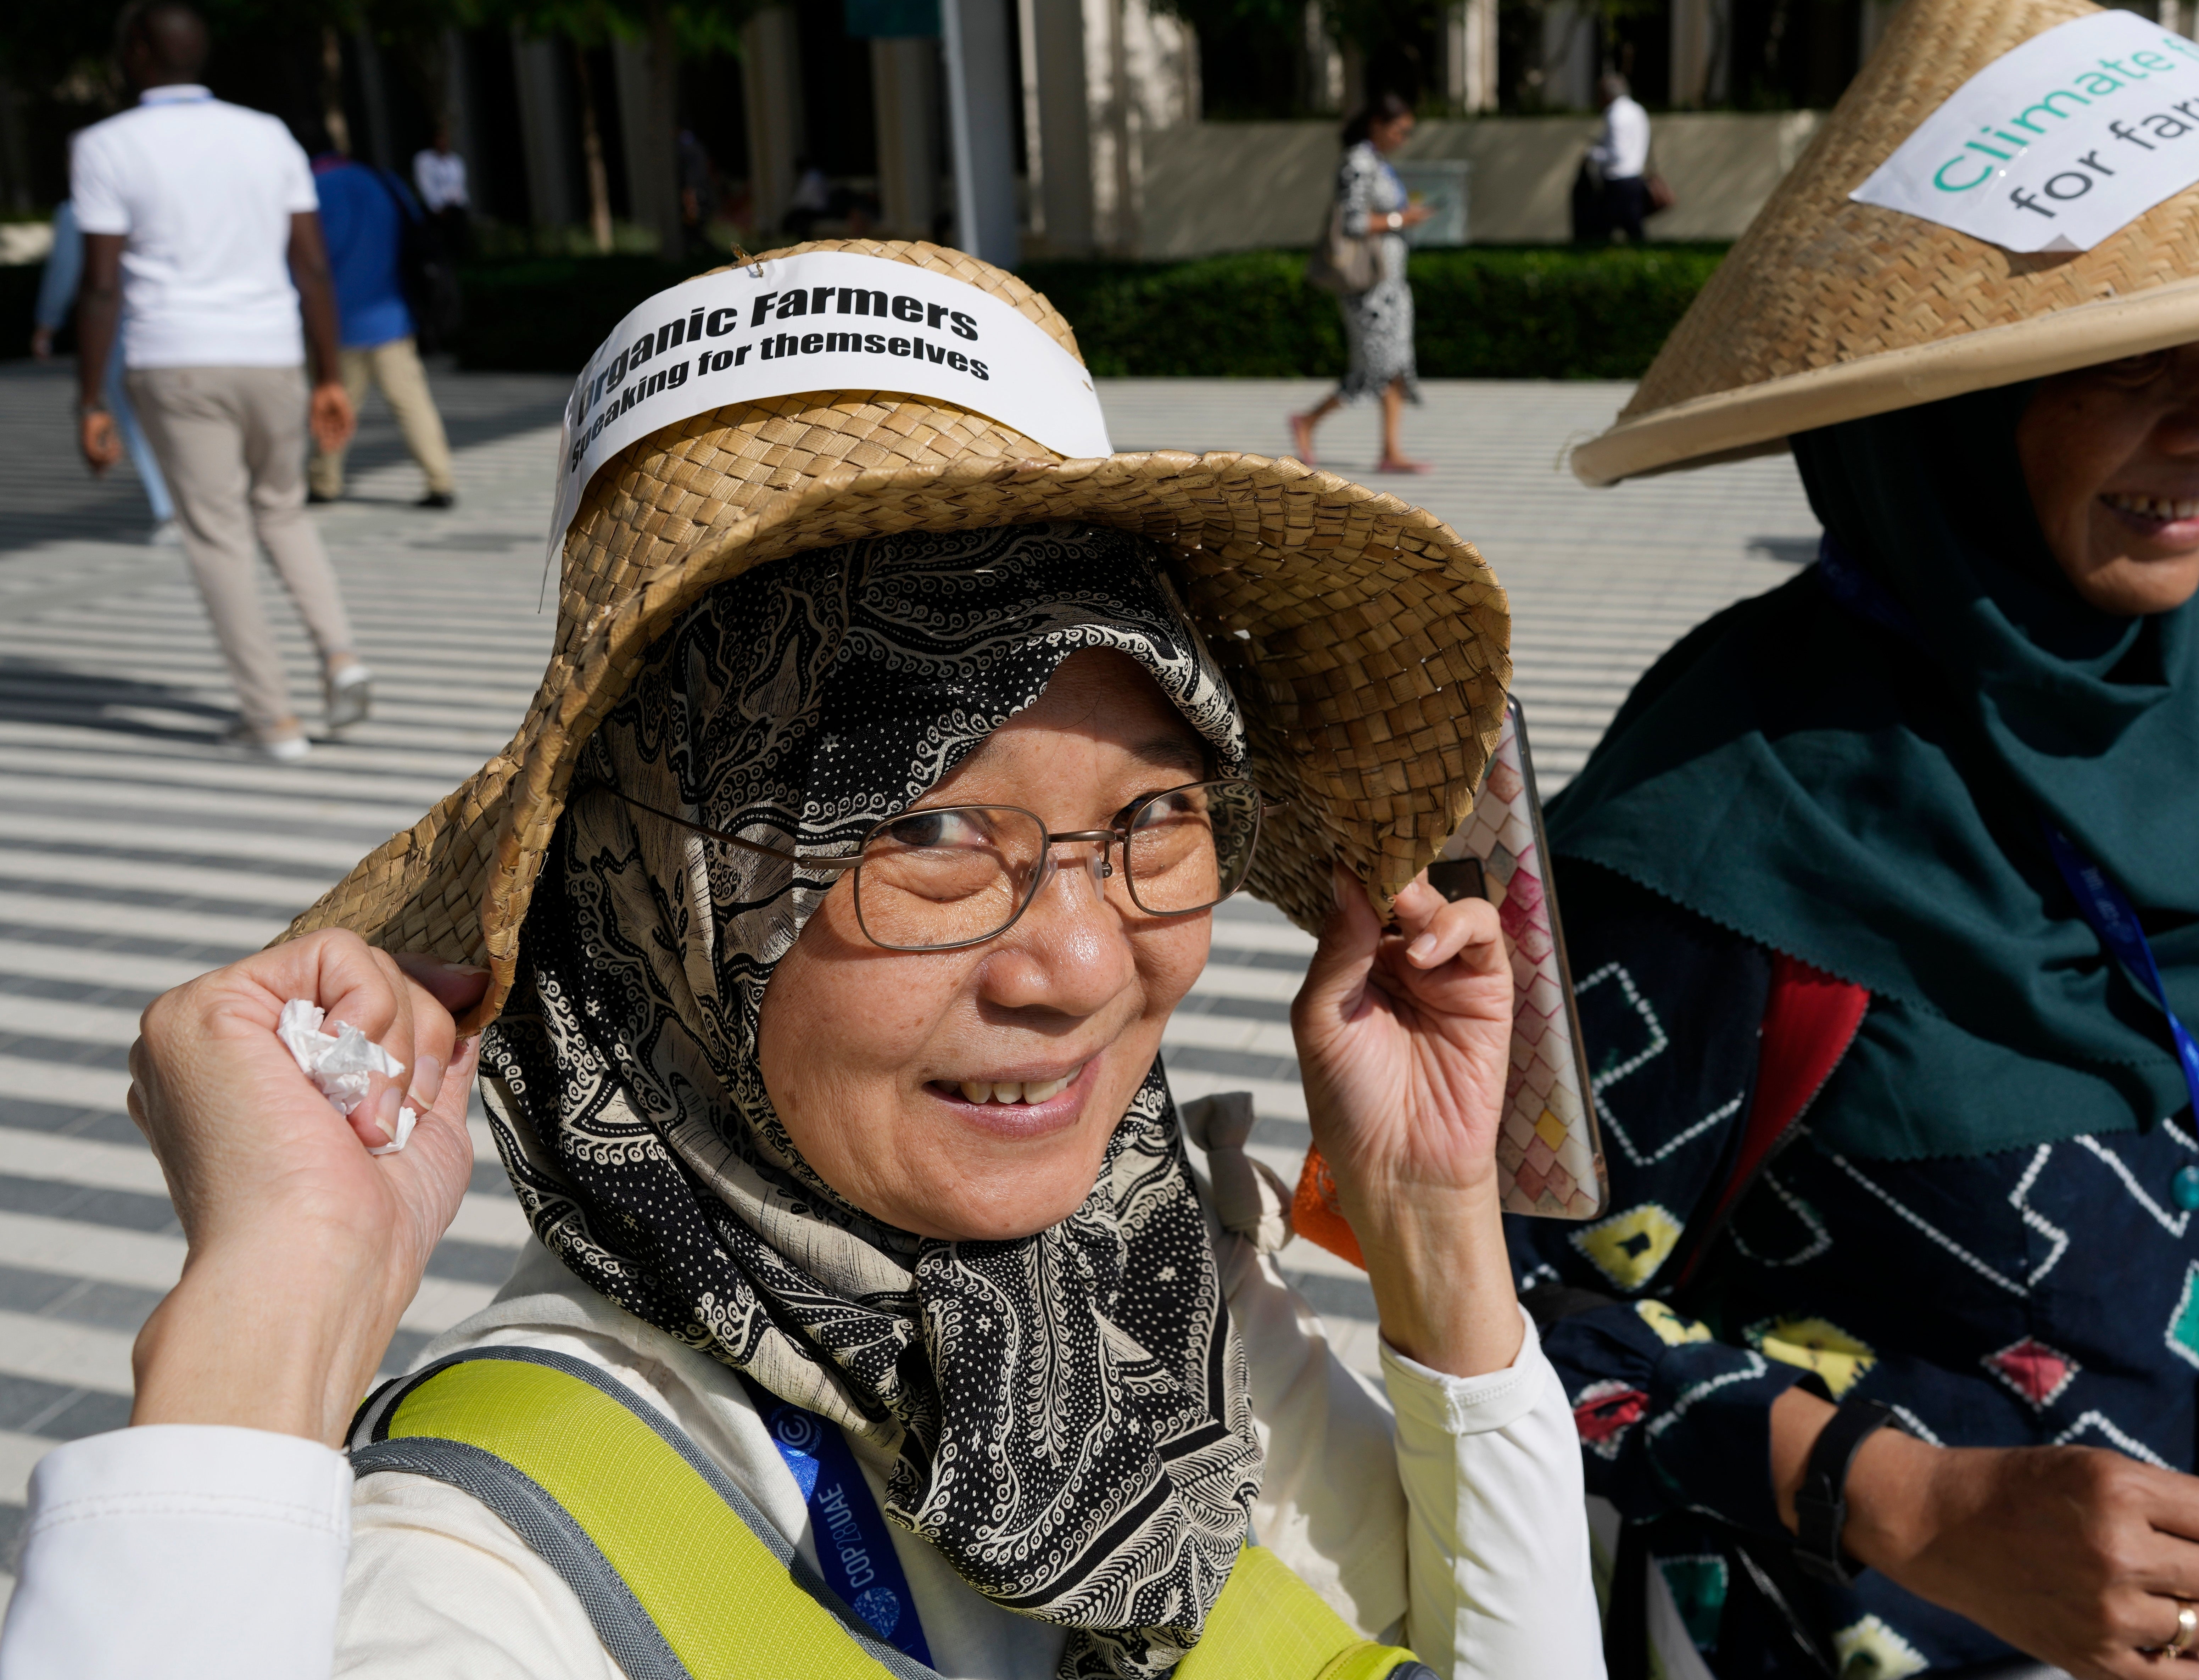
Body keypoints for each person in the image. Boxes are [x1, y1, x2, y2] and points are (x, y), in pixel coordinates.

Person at [0, 238, 1599, 1680]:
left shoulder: (1143, 1286)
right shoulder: (478, 1571)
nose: (1077, 960)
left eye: (1156, 813)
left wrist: (1435, 1231)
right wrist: (274, 1306)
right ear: (667, 886)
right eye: (923, 831)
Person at [1534, 0, 2199, 1680]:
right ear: (1931, 414)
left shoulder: (2178, 695)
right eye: (2131, 358)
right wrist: (1905, 1502)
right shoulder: (1730, 799)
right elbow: (1499, 1317)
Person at [68, 0, 372, 763]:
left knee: (217, 535)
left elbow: (101, 285)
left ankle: (272, 722)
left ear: (139, 50)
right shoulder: (266, 135)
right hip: (272, 354)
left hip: (176, 360)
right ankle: (342, 657)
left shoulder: (106, 145)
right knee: (283, 511)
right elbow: (309, 263)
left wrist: (90, 397)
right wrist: (330, 374)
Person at [307, 146, 459, 509]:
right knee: (412, 403)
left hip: (338, 322)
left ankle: (324, 481)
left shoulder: (312, 190)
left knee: (335, 402)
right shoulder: (383, 181)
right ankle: (440, 480)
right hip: (391, 316)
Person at [1288, 94, 1432, 476]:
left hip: (1390, 283)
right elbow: (1353, 222)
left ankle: (1390, 451)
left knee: (1396, 365)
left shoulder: (1378, 163)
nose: (1404, 138)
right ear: (1377, 125)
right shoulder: (1358, 162)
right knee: (1376, 368)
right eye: (1400, 130)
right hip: (1367, 287)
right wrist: (1403, 220)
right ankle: (1308, 420)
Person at [33, 196, 177, 544]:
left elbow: (70, 269)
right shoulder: (171, 192)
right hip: (189, 325)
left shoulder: (81, 209)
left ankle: (172, 510)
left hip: (123, 329)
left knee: (139, 422)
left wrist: (47, 323)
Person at [1587, 73, 1652, 243]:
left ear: (1607, 95)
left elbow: (1618, 153)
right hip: (1635, 178)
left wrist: (1592, 154)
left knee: (1603, 229)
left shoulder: (1616, 114)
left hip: (1617, 181)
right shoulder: (1637, 110)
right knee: (1634, 229)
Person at [412, 123, 471, 254]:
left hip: (455, 208)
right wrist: (437, 208)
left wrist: (460, 202)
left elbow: (460, 186)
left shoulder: (456, 161)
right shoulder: (424, 160)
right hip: (437, 212)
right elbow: (426, 186)